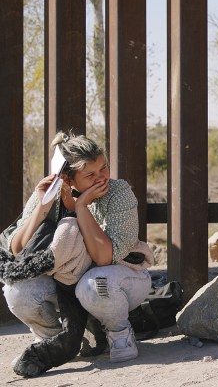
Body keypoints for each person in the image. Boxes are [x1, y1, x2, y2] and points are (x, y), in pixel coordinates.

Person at [3, 132, 150, 368]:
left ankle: (119, 333)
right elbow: (16, 248)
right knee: (17, 292)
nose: (101, 177)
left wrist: (81, 207)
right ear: (69, 179)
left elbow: (104, 258)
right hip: (65, 284)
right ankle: (55, 339)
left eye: (104, 168)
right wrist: (42, 208)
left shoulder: (118, 192)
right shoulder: (51, 191)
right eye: (90, 174)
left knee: (94, 283)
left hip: (119, 279)